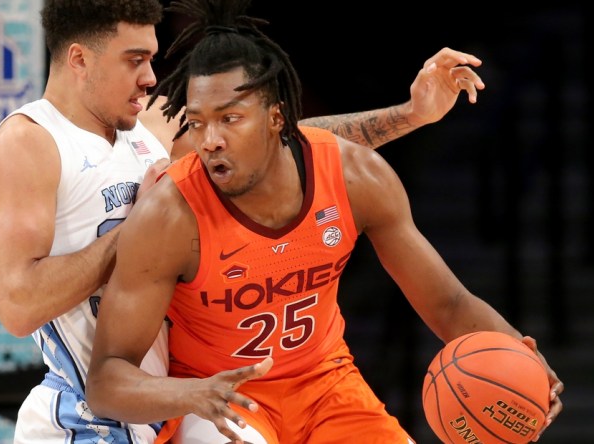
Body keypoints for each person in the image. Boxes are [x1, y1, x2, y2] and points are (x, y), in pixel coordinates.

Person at [0, 0, 488, 442]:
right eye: (135, 60)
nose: (151, 77)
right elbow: (20, 306)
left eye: (152, 59)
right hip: (86, 411)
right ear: (79, 60)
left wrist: (411, 115)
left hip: (167, 404)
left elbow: (277, 141)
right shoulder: (30, 141)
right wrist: (134, 235)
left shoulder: (150, 122)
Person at [84, 0, 564, 443]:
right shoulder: (169, 215)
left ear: (277, 118)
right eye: (197, 122)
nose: (210, 140)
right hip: (220, 401)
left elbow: (449, 303)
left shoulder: (355, 176)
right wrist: (189, 395)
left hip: (327, 387)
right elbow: (107, 379)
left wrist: (524, 365)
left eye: (230, 119)